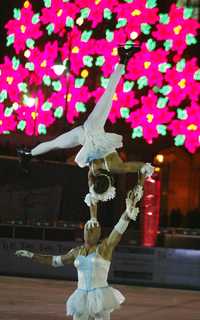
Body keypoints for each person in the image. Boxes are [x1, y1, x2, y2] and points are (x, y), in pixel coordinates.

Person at [17, 45, 154, 203]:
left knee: (108, 94)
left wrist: (147, 169)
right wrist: (146, 169)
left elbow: (132, 167)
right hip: (85, 133)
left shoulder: (106, 169)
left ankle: (28, 154)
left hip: (88, 132)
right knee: (55, 143)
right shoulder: (99, 171)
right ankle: (28, 154)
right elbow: (129, 168)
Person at [15, 182, 143, 320]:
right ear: (83, 232)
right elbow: (54, 261)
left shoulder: (104, 248)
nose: (90, 228)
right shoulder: (76, 252)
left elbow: (118, 230)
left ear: (99, 233)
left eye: (94, 228)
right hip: (81, 296)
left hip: (100, 296)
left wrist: (127, 212)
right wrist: (31, 255)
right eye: (87, 227)